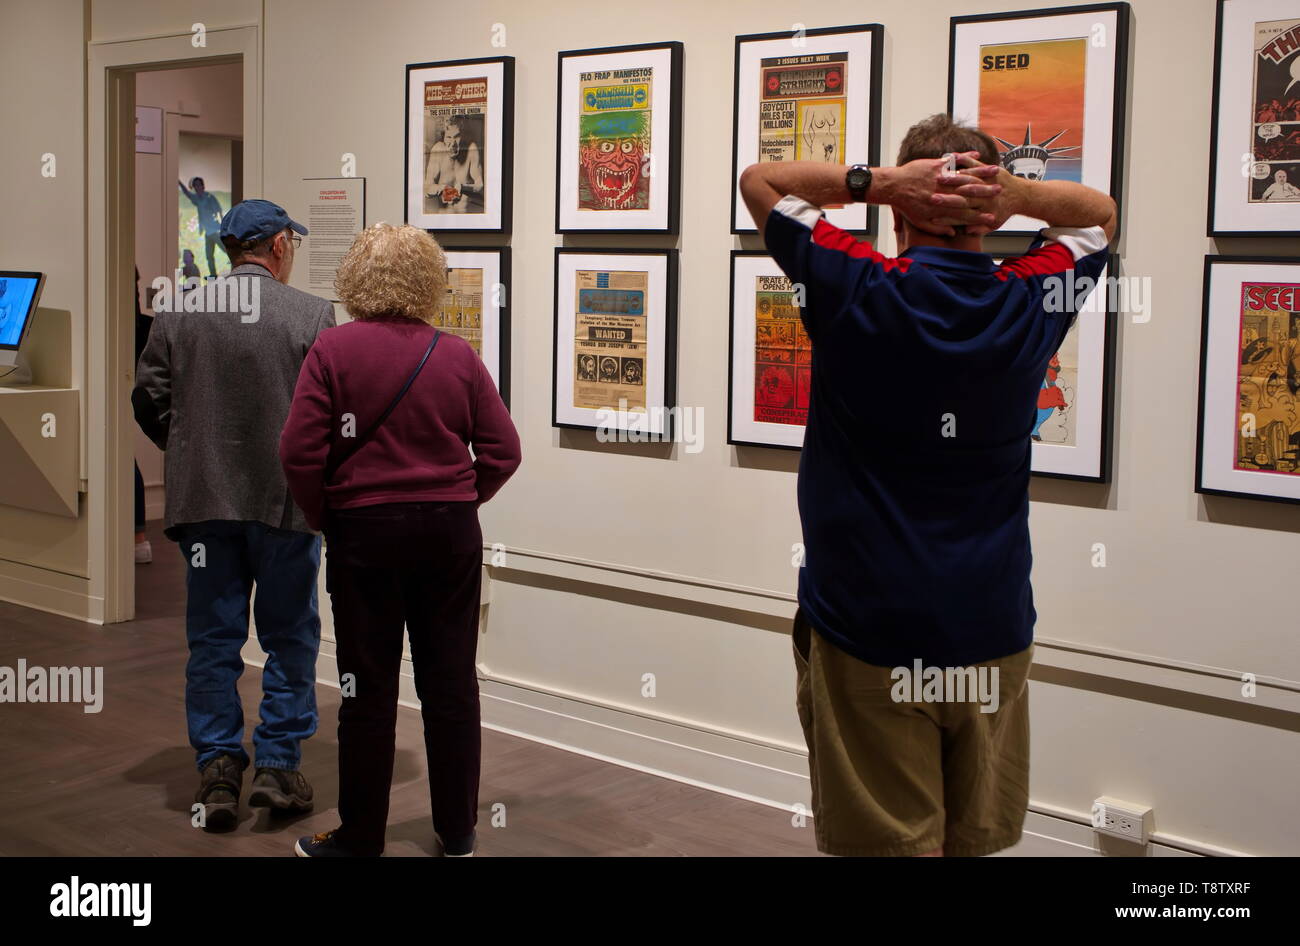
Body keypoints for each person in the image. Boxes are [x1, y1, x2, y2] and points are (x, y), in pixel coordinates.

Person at [739, 113, 1116, 857]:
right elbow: (1100, 216)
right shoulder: (1027, 300)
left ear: (904, 210)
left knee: (890, 844)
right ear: (988, 212)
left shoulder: (856, 284)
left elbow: (760, 183)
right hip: (989, 629)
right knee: (971, 842)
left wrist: (878, 185)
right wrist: (1015, 194)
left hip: (868, 631)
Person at [279, 222, 521, 857]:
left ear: (356, 278)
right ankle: (459, 831)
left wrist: (325, 515)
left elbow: (298, 453)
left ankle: (359, 838)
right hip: (448, 537)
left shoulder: (333, 351)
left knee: (366, 691)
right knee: (450, 686)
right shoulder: (457, 355)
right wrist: (459, 498)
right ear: (427, 282)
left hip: (365, 537)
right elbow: (503, 450)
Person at [133, 199, 335, 831]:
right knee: (289, 636)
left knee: (214, 640)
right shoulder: (311, 314)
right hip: (285, 504)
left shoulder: (179, 310)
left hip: (204, 506)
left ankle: (219, 767)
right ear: (277, 246)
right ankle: (277, 765)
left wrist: (188, 450)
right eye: (292, 244)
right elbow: (327, 416)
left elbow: (149, 397)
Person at [179, 177, 225, 279]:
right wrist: (179, 182)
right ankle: (213, 275)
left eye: (199, 185)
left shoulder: (209, 197)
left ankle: (237, 267)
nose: (197, 187)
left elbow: (219, 211)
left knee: (226, 249)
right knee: (209, 255)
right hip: (208, 232)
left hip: (215, 230)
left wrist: (223, 227)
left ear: (203, 186)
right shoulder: (197, 199)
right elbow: (187, 193)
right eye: (195, 185)